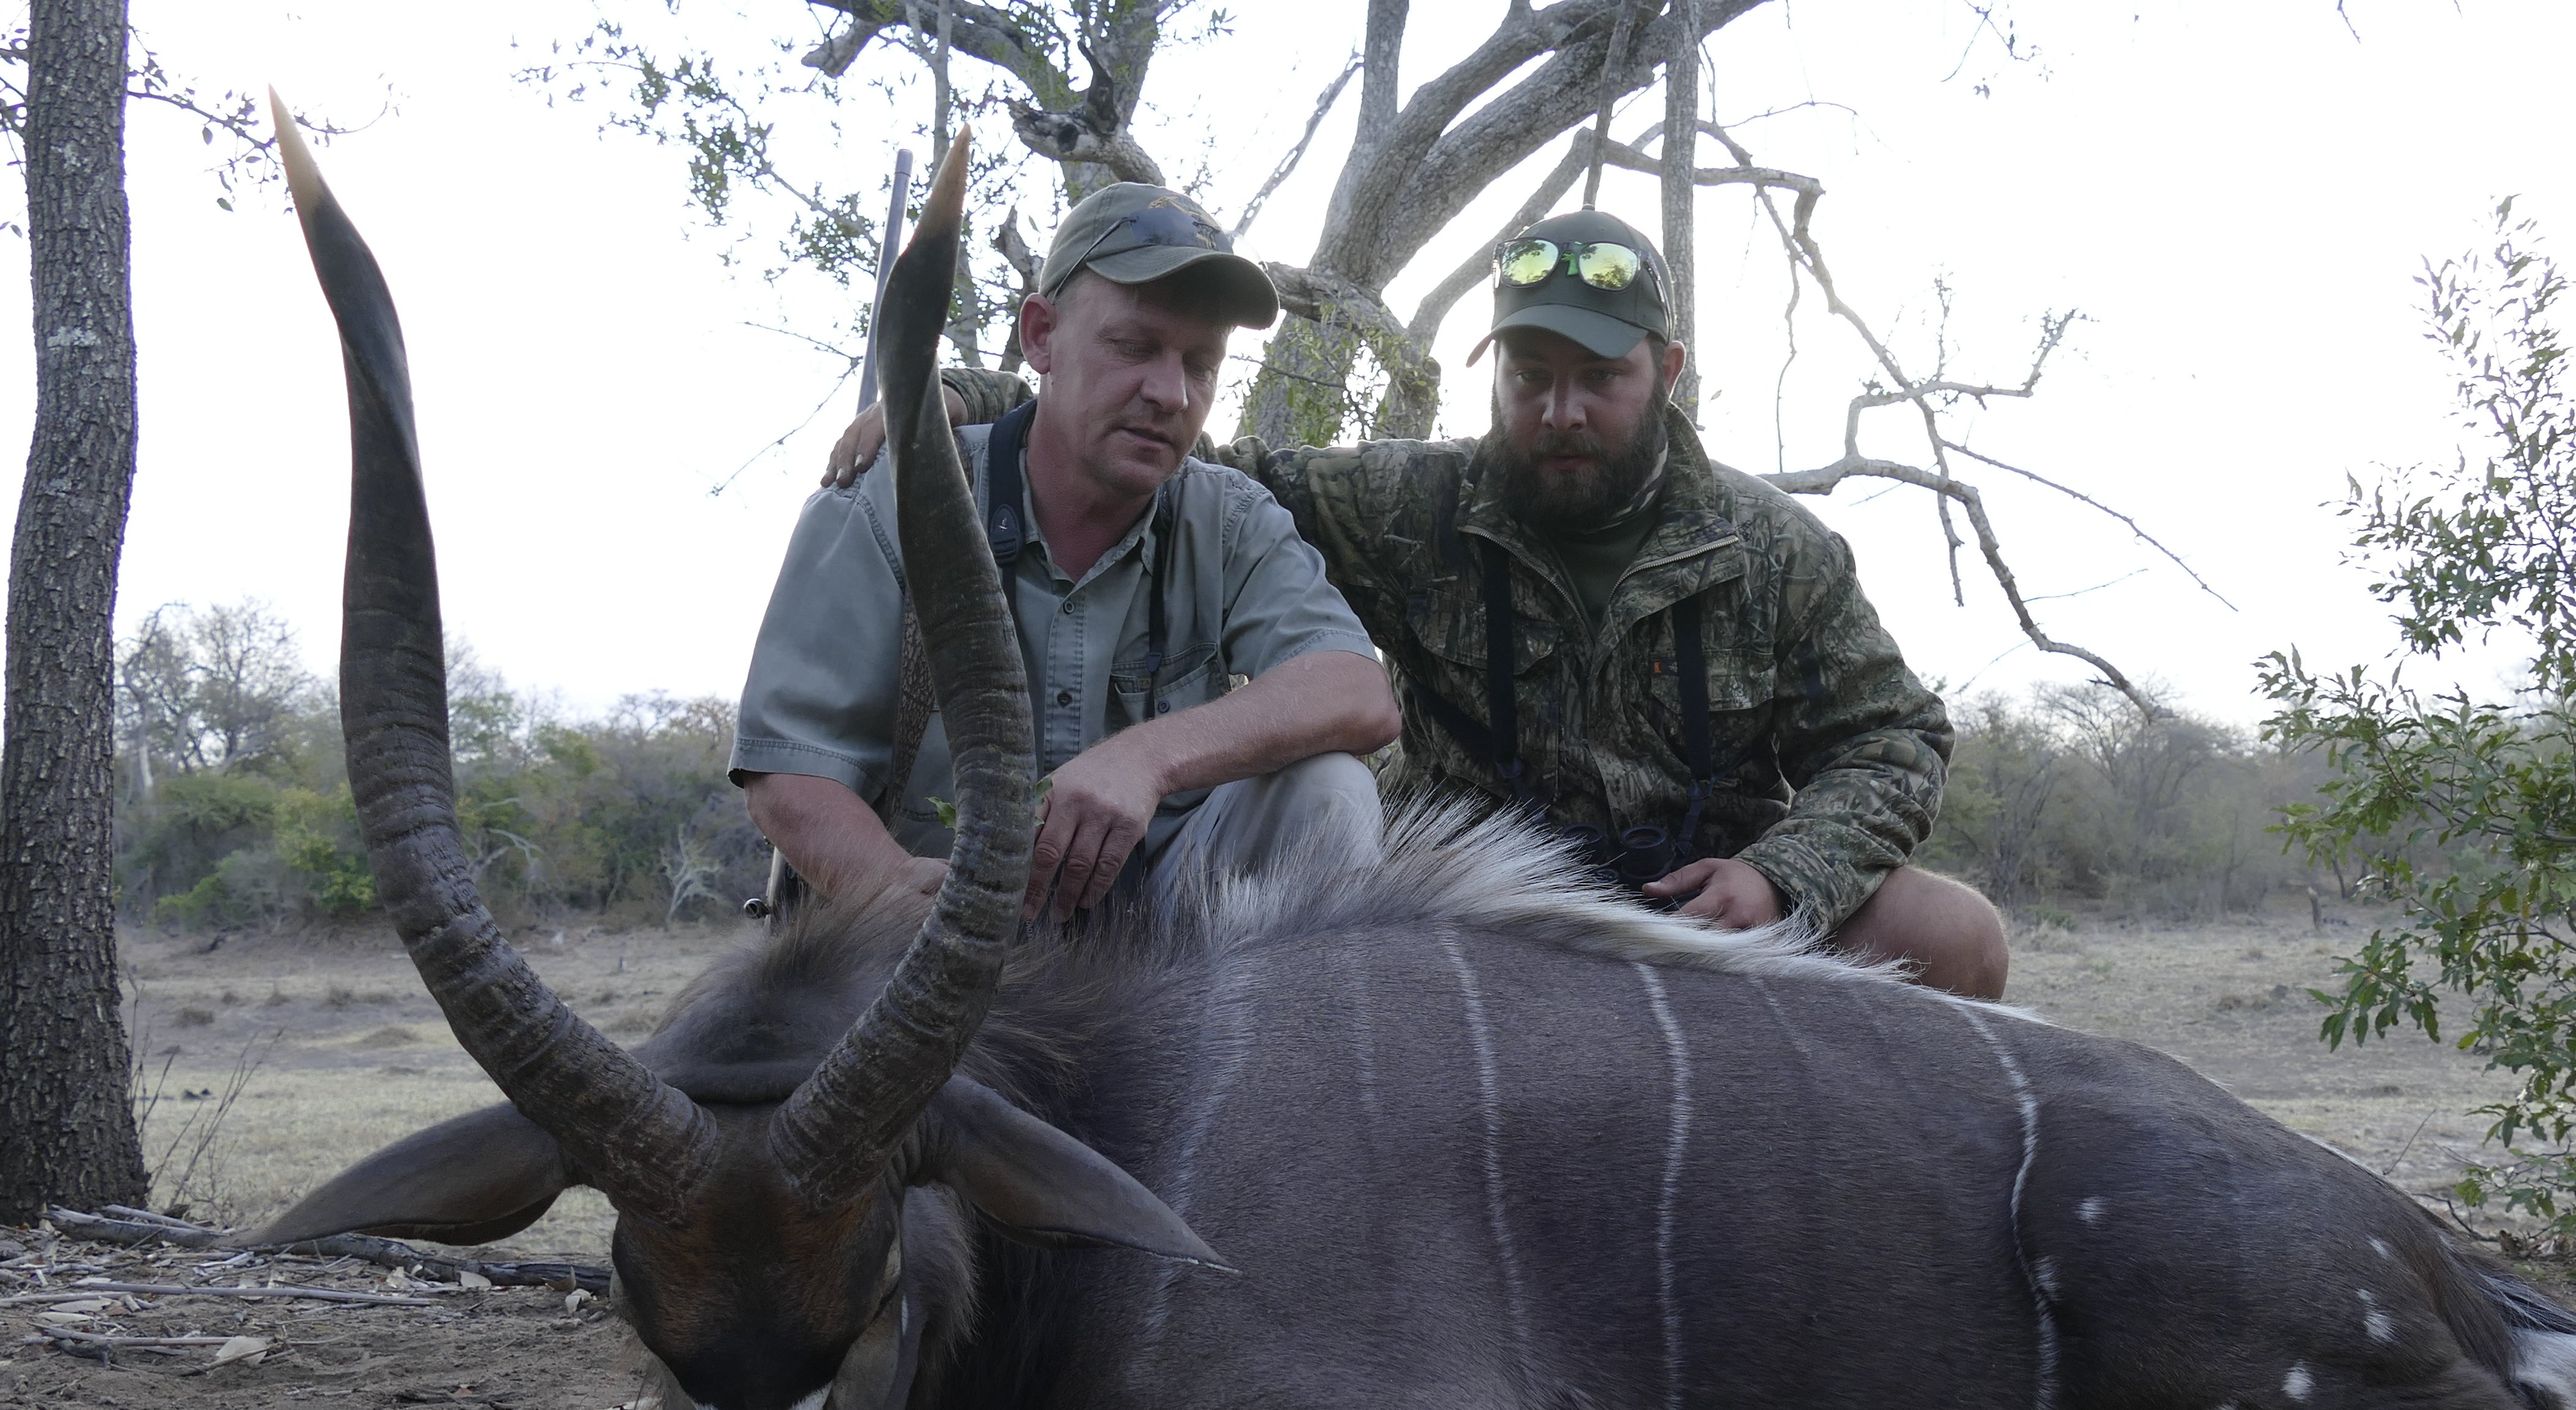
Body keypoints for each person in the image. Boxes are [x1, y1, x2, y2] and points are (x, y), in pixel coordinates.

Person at [834, 210, 2007, 996]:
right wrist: (963, 393)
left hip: (1705, 908)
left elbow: (1893, 740)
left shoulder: (1777, 550)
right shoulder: (1411, 498)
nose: (1560, 412)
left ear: (1666, 373)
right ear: (1493, 370)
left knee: (1953, 938)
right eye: (1530, 375)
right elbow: (1205, 463)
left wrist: (1781, 875)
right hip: (1471, 903)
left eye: (1600, 378)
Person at [734, 183, 1398, 921]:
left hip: (1159, 955)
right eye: (1133, 347)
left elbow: (1355, 689)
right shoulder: (887, 499)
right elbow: (789, 773)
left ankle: (1280, 1037)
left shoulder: (1230, 517)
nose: (1171, 393)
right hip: (927, 933)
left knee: (1331, 791)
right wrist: (896, 895)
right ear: (1041, 336)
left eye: (1200, 364)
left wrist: (1147, 758)